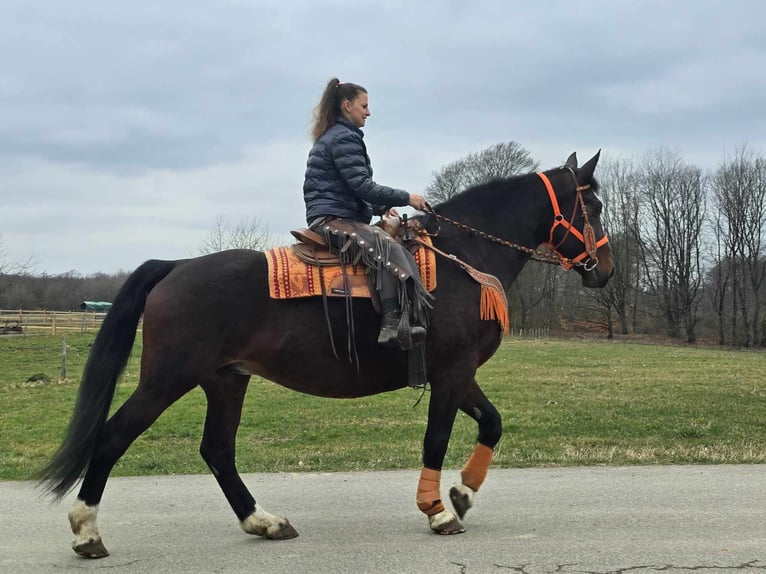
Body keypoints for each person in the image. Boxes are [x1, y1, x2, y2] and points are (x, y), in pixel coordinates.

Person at [303, 78, 431, 349]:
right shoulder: (343, 137)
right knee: (387, 248)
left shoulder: (336, 136)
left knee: (384, 243)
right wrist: (407, 198)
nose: (368, 112)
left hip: (336, 212)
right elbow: (362, 185)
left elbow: (349, 189)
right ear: (347, 105)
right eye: (364, 106)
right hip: (332, 219)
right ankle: (391, 322)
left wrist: (379, 208)